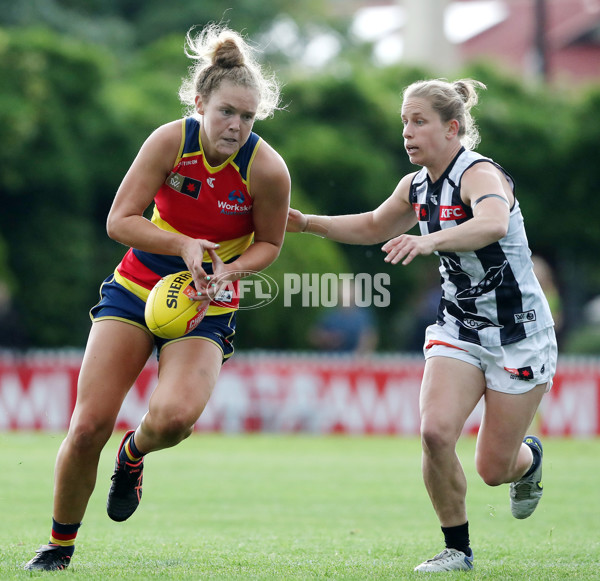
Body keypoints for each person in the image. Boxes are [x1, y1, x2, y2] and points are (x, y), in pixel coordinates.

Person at [24, 23, 290, 571]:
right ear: (200, 103)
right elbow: (118, 221)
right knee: (87, 425)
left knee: (172, 420)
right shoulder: (170, 141)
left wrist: (229, 270)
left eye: (247, 116)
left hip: (206, 303)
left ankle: (133, 455)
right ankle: (58, 547)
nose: (236, 126)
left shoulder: (267, 169)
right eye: (226, 112)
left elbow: (269, 243)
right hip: (135, 288)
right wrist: (182, 242)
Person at [287, 79, 557, 573]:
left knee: (493, 469)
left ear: (452, 128)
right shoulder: (414, 186)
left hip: (519, 336)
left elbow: (493, 224)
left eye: (419, 122)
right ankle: (457, 549)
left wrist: (430, 242)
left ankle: (528, 461)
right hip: (458, 328)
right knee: (434, 433)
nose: (407, 132)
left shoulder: (478, 173)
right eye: (404, 122)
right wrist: (306, 222)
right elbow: (373, 225)